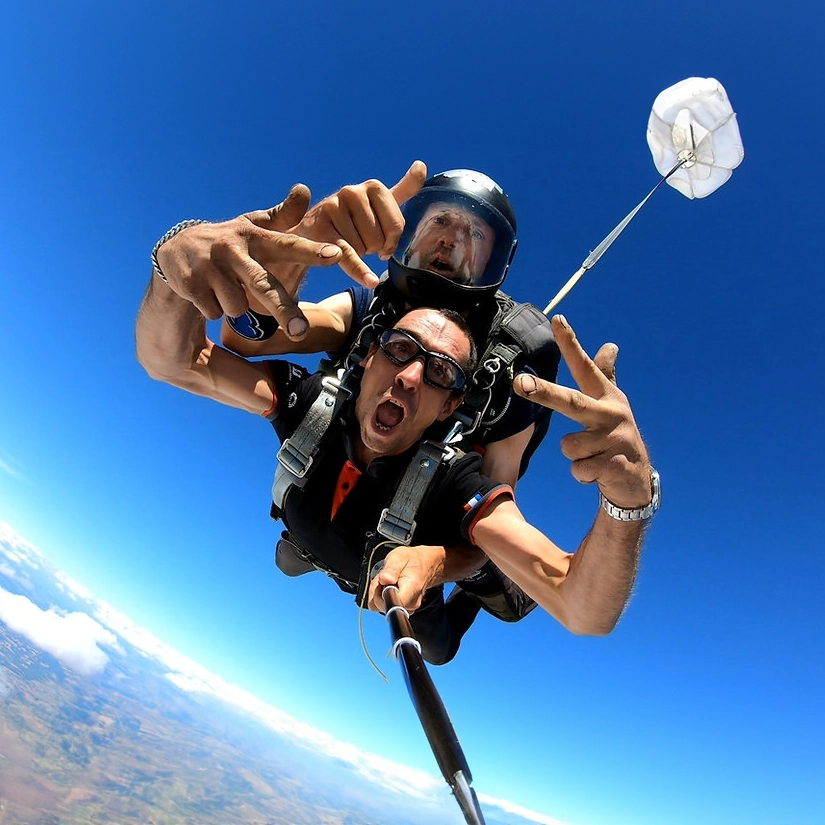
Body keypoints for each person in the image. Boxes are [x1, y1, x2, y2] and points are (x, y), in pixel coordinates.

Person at [137, 198, 660, 661]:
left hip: (421, 548)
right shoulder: (326, 379)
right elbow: (186, 356)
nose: (410, 377)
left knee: (436, 646)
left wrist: (629, 503)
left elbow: (583, 610)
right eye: (400, 350)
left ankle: (472, 591)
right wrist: (177, 260)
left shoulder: (454, 479)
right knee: (300, 549)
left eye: (439, 372)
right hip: (332, 526)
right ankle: (318, 549)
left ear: (451, 405)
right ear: (366, 356)